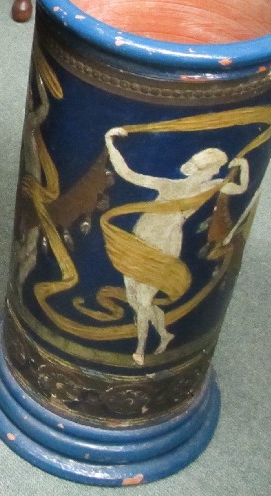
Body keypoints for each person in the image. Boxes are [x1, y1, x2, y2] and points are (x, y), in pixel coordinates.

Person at [104, 126, 249, 364]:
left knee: (143, 300)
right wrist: (109, 142)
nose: (211, 172)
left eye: (213, 169)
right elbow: (128, 173)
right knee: (133, 298)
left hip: (166, 241)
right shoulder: (170, 185)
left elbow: (241, 188)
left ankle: (140, 349)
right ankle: (164, 333)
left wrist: (243, 166)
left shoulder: (211, 187)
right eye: (210, 169)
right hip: (141, 236)